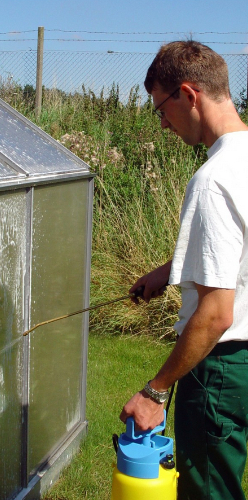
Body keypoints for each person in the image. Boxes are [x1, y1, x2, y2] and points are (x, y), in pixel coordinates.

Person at [119, 40, 248, 500]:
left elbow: (216, 314)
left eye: (161, 109)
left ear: (189, 95)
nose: (162, 124)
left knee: (209, 490)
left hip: (220, 368)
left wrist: (155, 392)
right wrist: (171, 269)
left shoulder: (213, 180)